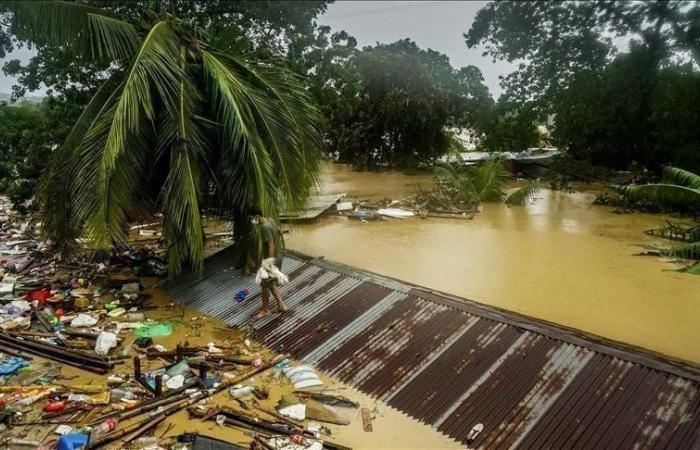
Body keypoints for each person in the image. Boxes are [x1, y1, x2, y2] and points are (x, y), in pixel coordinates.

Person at [248, 206, 288, 318]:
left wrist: (269, 263)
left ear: (256, 216)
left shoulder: (264, 228)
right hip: (278, 256)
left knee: (264, 285)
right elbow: (279, 231)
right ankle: (281, 305)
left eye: (252, 218)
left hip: (271, 259)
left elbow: (271, 244)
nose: (252, 221)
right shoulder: (271, 220)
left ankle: (265, 310)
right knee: (269, 283)